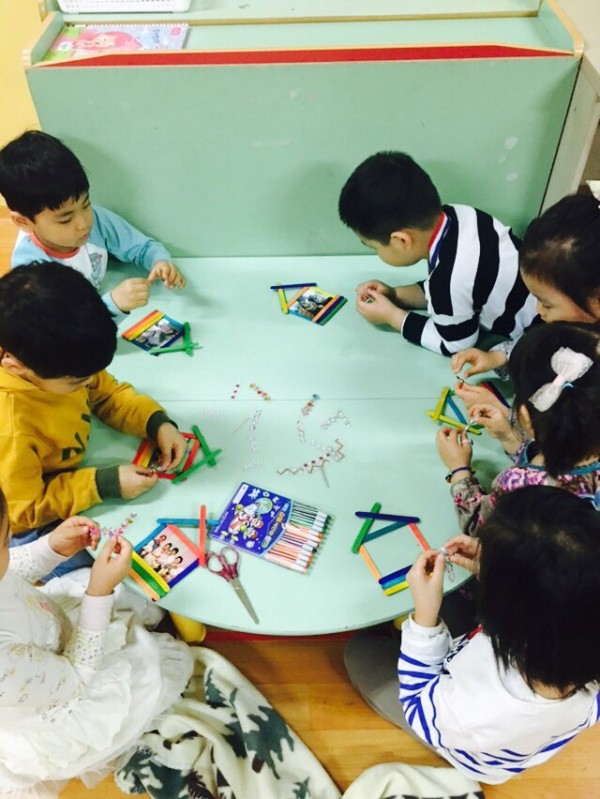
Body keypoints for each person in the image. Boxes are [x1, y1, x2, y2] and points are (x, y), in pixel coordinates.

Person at [0, 485, 340, 798]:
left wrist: (51, 548)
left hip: (46, 638)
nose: (11, 543)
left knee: (116, 593)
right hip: (66, 692)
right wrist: (98, 593)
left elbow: (12, 571)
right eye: (5, 542)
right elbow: (75, 679)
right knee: (154, 667)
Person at [344, 486, 600, 784]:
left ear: (508, 615)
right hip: (498, 705)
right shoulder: (577, 633)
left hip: (465, 743)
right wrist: (497, 566)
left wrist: (425, 621)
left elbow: (418, 707)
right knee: (450, 600)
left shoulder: (482, 710)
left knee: (358, 651)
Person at [0, 263, 187, 568]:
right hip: (26, 516)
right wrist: (103, 484)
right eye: (76, 382)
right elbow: (22, 513)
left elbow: (106, 392)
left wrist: (156, 423)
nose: (89, 383)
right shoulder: (10, 430)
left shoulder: (58, 357)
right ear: (17, 368)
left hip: (64, 469)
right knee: (101, 568)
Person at [338, 151, 536, 355]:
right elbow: (454, 292)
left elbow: (457, 344)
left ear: (401, 241)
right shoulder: (461, 214)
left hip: (538, 334)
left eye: (374, 248)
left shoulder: (449, 280)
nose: (377, 253)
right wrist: (395, 294)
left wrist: (393, 317)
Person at [0, 130, 186, 322]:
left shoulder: (96, 219)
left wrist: (159, 261)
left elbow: (142, 247)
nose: (84, 224)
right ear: (23, 222)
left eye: (86, 204)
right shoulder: (31, 273)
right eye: (65, 219)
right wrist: (112, 305)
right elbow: (63, 327)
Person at [437, 322, 600, 536]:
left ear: (526, 417)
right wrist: (510, 438)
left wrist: (460, 472)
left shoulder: (518, 484)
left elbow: (480, 525)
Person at [452, 193, 600, 378]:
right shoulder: (570, 323)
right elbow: (538, 343)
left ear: (596, 299)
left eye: (547, 304)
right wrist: (495, 358)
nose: (539, 310)